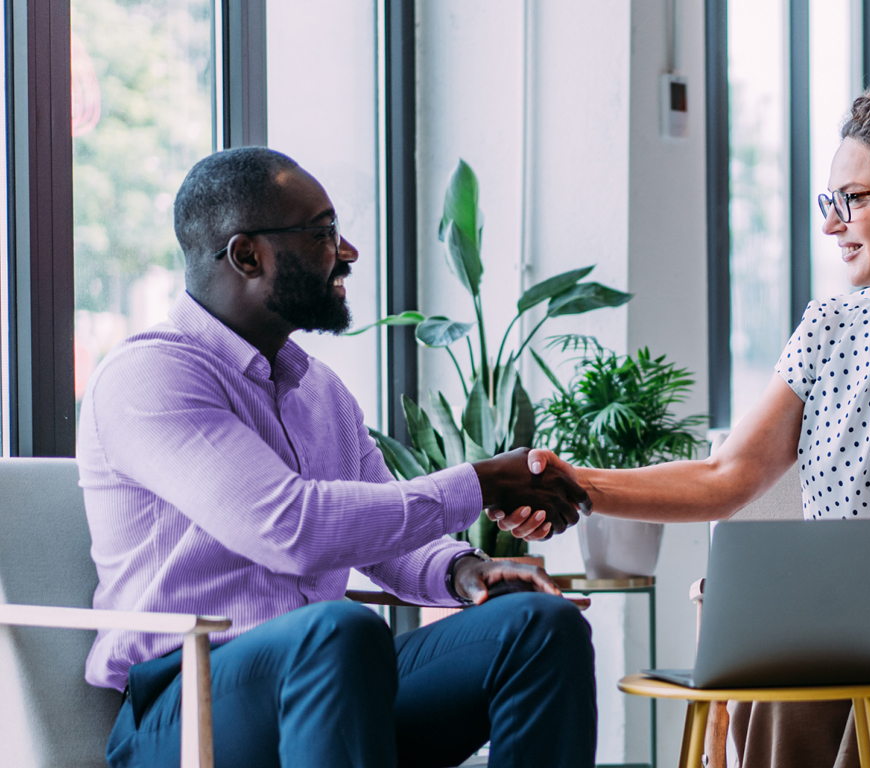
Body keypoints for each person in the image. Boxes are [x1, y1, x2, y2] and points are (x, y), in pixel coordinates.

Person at [511, 78, 870, 767]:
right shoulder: (828, 329)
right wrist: (578, 485)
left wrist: (826, 585)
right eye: (830, 202)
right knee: (799, 660)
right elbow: (726, 475)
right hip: (834, 622)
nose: (832, 223)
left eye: (852, 200)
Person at [78, 146, 596, 768]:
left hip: (339, 680)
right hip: (186, 703)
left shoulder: (318, 389)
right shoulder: (151, 374)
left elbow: (384, 540)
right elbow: (289, 527)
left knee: (540, 628)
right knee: (340, 631)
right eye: (324, 233)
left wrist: (465, 571)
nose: (347, 251)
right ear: (248, 254)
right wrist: (478, 484)